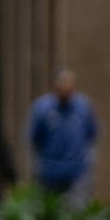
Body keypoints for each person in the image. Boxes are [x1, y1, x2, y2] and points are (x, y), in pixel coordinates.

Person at [26, 70, 99, 198]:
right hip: (48, 174)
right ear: (56, 88)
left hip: (77, 174)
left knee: (76, 212)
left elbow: (92, 135)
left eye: (70, 88)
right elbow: (34, 138)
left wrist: (88, 165)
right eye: (62, 87)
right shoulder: (42, 109)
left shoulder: (83, 107)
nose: (66, 91)